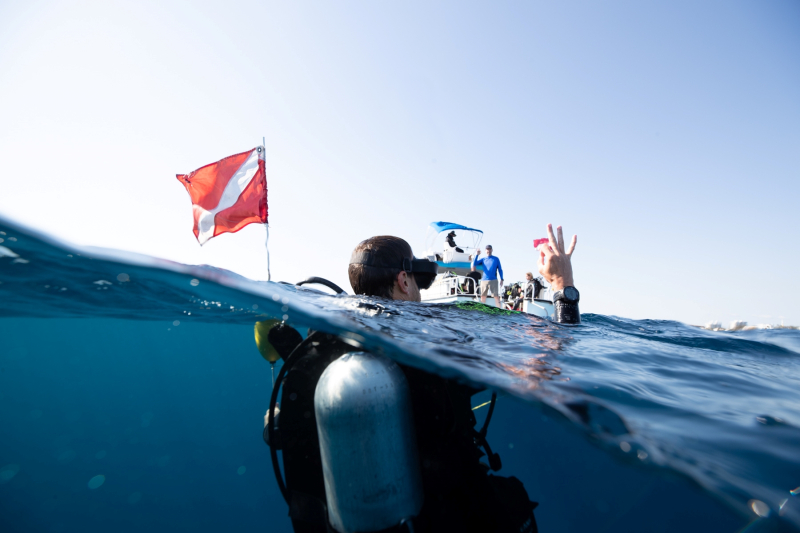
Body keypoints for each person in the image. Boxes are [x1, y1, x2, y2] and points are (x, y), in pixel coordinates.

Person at [264, 225, 578, 532]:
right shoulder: (431, 342)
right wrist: (562, 285)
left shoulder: (319, 349)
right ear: (403, 279)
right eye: (415, 276)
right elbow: (545, 372)